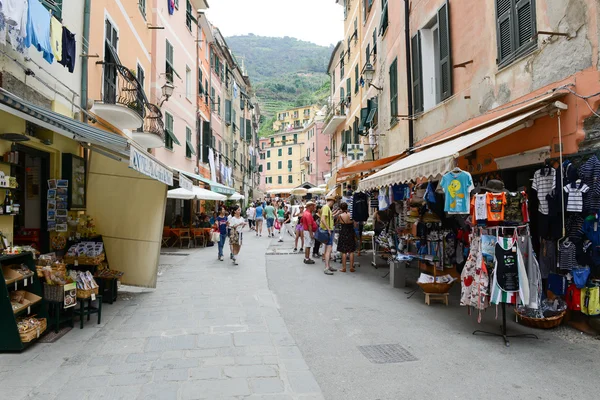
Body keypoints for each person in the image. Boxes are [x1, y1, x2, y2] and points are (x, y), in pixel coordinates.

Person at [336, 202, 357, 272]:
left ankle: (344, 268)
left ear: (341, 208)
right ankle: (351, 267)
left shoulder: (340, 216)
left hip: (343, 233)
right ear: (347, 207)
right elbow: (355, 225)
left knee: (344, 251)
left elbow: (336, 223)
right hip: (351, 232)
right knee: (351, 251)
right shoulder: (351, 215)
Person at [320, 196, 337, 275]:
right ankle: (326, 267)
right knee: (328, 249)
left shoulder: (327, 208)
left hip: (328, 230)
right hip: (328, 231)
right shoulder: (326, 207)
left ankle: (328, 266)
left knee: (328, 249)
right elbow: (323, 219)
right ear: (332, 202)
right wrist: (328, 229)